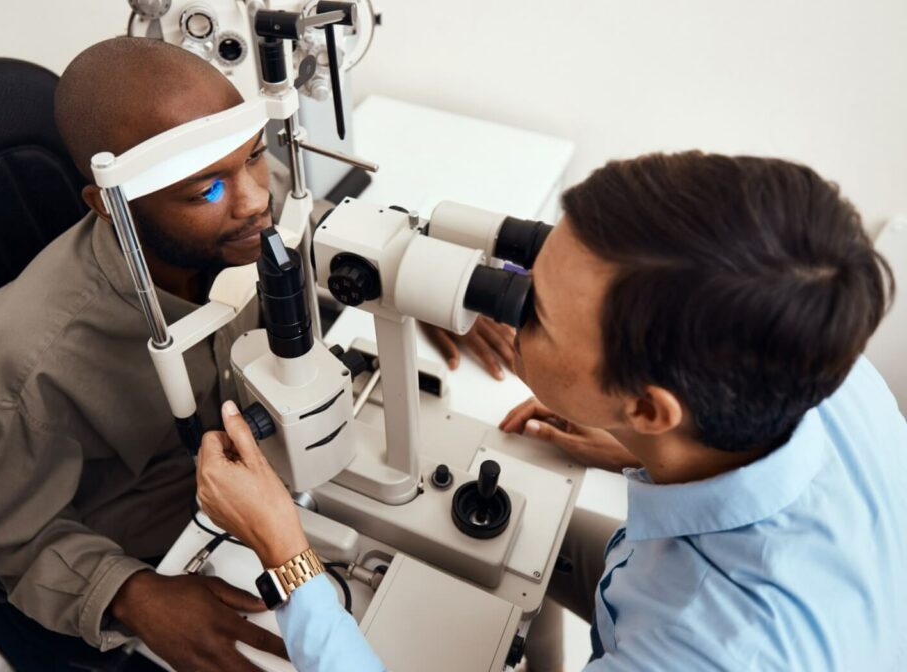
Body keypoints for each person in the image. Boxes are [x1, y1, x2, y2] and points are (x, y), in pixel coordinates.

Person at [196, 152, 907, 671]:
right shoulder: (818, 350)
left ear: (652, 405)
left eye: (530, 313)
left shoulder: (702, 652)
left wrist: (286, 557)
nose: (508, 300)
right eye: (535, 251)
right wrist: (638, 446)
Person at [0, 35, 511, 671]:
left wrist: (402, 278)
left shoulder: (245, 217)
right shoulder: (25, 365)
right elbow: (7, 541)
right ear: (112, 206)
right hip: (170, 541)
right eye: (205, 190)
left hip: (285, 474)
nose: (255, 201)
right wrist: (132, 595)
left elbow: (312, 227)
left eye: (255, 157)